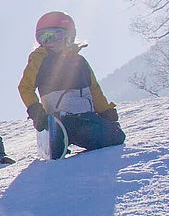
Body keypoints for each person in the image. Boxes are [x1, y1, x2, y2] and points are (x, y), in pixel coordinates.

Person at [18, 11, 125, 151]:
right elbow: (25, 87)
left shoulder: (80, 61)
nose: (48, 42)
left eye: (55, 36)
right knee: (113, 136)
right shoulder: (39, 59)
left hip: (86, 117)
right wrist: (36, 111)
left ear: (69, 36)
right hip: (59, 119)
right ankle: (58, 135)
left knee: (116, 134)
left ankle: (63, 137)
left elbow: (94, 89)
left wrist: (105, 110)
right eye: (43, 38)